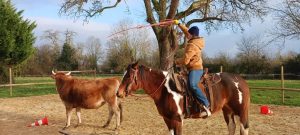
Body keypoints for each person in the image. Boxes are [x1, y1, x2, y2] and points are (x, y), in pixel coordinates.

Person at [173, 20, 211, 117]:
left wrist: (176, 61)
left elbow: (185, 61)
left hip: (196, 69)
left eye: (188, 34)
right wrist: (178, 23)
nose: (186, 35)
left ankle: (206, 103)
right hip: (192, 67)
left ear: (192, 35)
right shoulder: (196, 39)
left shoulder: (192, 45)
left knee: (192, 85)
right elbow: (187, 31)